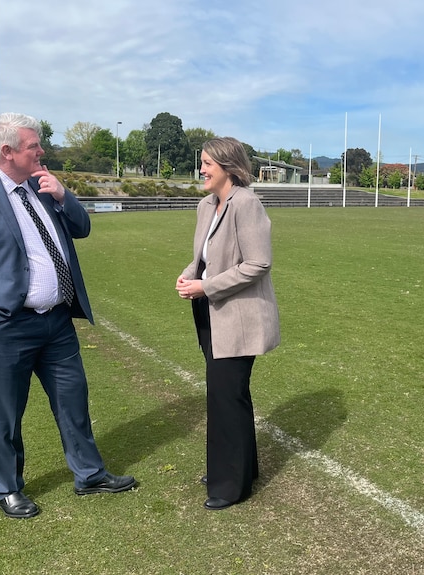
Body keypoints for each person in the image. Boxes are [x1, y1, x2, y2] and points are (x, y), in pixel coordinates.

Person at [0, 112, 137, 519]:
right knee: (6, 413)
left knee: (72, 401)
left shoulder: (43, 187)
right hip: (7, 325)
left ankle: (89, 473)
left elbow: (81, 229)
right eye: (34, 146)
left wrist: (64, 196)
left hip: (57, 320)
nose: (42, 151)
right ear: (7, 152)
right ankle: (6, 488)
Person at [175, 137, 280, 510]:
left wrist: (206, 286)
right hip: (209, 313)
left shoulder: (246, 203)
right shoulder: (207, 205)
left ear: (228, 166)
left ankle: (230, 485)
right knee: (227, 396)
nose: (201, 169)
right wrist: (189, 277)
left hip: (238, 318)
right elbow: (201, 256)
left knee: (226, 396)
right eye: (201, 162)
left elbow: (258, 263)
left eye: (207, 163)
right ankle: (237, 468)